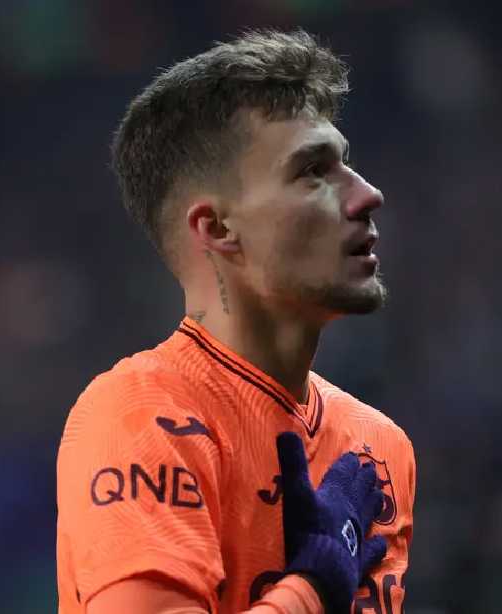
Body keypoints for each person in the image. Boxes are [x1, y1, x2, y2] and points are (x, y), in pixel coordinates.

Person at [56, 29, 416, 614]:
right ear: (218, 229)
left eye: (346, 163)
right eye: (313, 171)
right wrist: (314, 585)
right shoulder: (141, 415)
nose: (367, 195)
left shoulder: (379, 448)